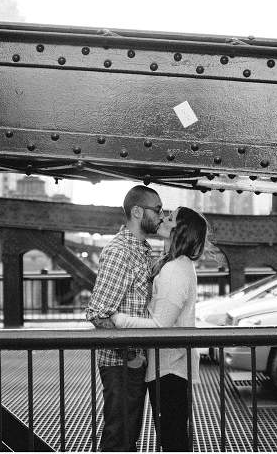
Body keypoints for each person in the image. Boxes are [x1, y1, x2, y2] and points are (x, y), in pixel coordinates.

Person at [110, 206, 209, 452]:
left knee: (173, 440)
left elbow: (160, 326)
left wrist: (118, 318)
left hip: (169, 370)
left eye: (171, 217)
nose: (163, 217)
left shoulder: (176, 270)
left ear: (180, 230)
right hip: (170, 367)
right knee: (173, 438)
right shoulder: (176, 265)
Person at [85, 185, 164, 451]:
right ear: (138, 212)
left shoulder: (141, 249)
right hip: (121, 363)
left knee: (128, 434)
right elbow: (98, 314)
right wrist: (131, 355)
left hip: (132, 361)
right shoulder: (120, 252)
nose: (162, 216)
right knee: (119, 435)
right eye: (158, 209)